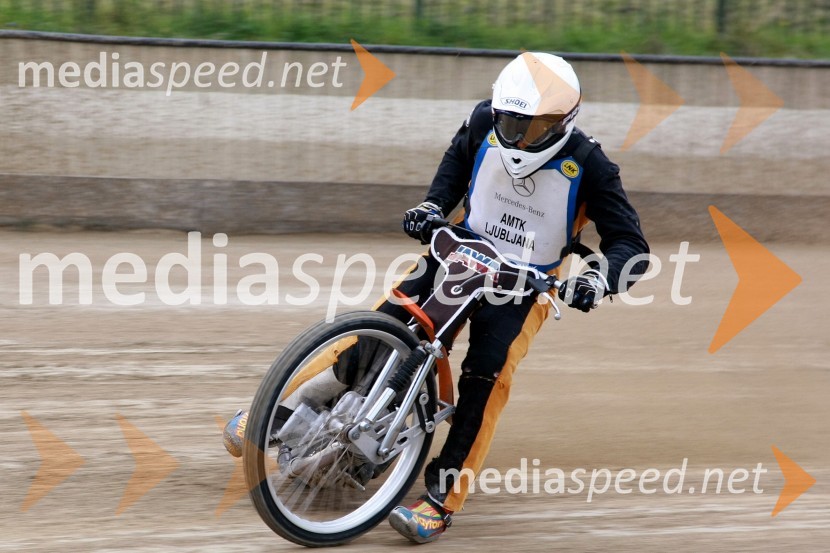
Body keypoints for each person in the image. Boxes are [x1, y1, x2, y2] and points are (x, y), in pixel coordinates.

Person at [382, 52, 650, 543]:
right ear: (497, 108)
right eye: (510, 122)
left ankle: (442, 498)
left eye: (535, 128)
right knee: (387, 323)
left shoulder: (592, 166)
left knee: (486, 377)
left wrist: (596, 281)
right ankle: (300, 407)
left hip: (526, 286)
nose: (518, 138)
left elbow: (631, 247)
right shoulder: (483, 119)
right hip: (460, 252)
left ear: (565, 120)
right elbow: (457, 162)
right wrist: (431, 205)